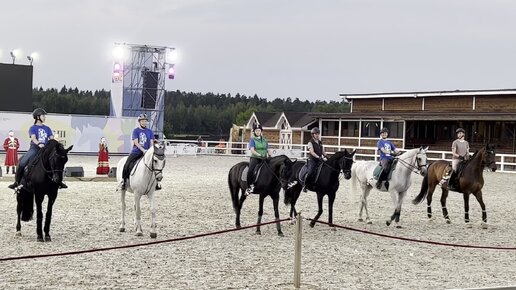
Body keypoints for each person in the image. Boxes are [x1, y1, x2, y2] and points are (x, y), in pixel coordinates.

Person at [8, 108, 67, 189]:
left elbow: (52, 139)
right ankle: (17, 182)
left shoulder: (47, 128)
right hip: (35, 148)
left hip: (46, 149)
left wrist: (57, 143)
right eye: (43, 116)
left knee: (57, 161)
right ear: (37, 117)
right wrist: (39, 143)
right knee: (22, 162)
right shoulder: (33, 128)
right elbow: (33, 138)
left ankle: (59, 181)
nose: (44, 118)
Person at [121, 114, 161, 190]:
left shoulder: (150, 131)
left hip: (147, 153)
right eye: (142, 121)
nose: (144, 122)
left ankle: (156, 183)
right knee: (127, 164)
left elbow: (151, 142)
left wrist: (150, 150)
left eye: (145, 121)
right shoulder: (135, 131)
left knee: (156, 165)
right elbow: (136, 142)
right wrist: (143, 150)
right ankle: (124, 181)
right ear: (139, 122)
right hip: (137, 151)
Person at [245, 123, 269, 196]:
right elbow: (252, 150)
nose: (258, 132)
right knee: (250, 171)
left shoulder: (265, 140)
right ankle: (249, 187)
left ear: (261, 131)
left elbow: (267, 149)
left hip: (264, 158)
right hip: (255, 158)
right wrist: (259, 155)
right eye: (256, 131)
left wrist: (268, 154)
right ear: (254, 132)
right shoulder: (252, 140)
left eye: (259, 131)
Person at [303, 127, 327, 192]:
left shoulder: (320, 142)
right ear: (313, 135)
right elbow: (312, 152)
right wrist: (318, 157)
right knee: (310, 172)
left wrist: (327, 156)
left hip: (319, 159)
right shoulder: (310, 142)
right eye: (316, 134)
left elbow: (323, 151)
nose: (317, 135)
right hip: (312, 160)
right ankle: (305, 185)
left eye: (318, 134)